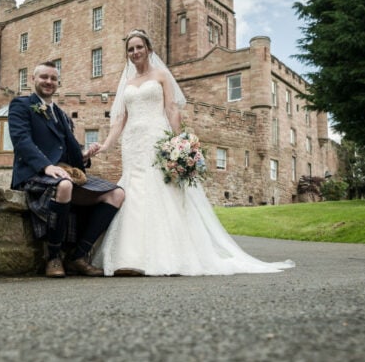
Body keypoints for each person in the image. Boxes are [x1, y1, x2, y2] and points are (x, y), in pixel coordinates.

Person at [91, 29, 295, 276]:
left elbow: (172, 109)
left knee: (160, 191)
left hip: (156, 138)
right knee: (133, 192)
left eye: (139, 47)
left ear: (149, 49)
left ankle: (166, 255)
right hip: (132, 144)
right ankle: (129, 258)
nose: (135, 52)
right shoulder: (127, 84)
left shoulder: (162, 76)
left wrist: (180, 142)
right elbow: (119, 121)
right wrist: (105, 146)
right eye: (131, 49)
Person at [9, 61, 125, 278]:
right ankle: (53, 257)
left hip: (64, 173)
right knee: (64, 185)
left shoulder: (62, 114)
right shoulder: (21, 105)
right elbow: (21, 141)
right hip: (34, 174)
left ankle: (78, 256)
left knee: (116, 193)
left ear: (58, 82)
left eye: (53, 78)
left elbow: (66, 149)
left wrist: (84, 156)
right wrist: (46, 166)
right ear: (33, 80)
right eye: (44, 77)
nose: (48, 82)